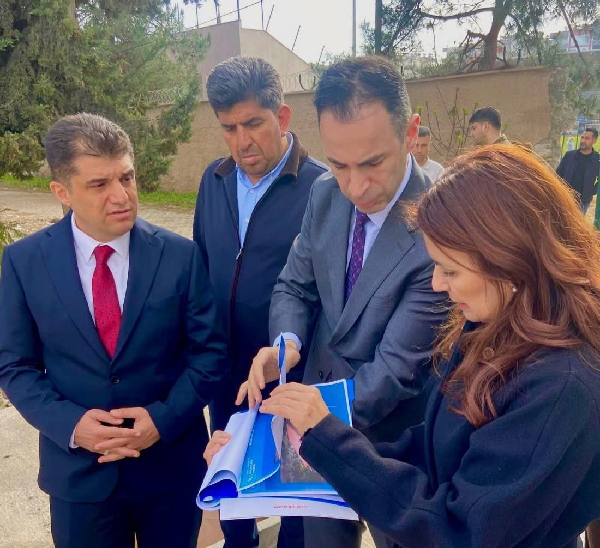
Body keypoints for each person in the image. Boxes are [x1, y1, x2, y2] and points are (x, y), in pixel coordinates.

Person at [240, 144, 600, 548]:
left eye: (450, 270)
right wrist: (296, 454)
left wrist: (328, 438)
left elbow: (459, 531)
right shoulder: (497, 323)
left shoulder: (560, 387)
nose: (437, 284)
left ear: (511, 261)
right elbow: (435, 445)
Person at [236, 56, 448, 547]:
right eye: (339, 164)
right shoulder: (325, 195)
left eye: (372, 163)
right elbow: (295, 285)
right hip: (314, 431)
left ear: (410, 132)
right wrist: (286, 345)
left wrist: (308, 418)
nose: (356, 186)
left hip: (397, 446)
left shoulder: (440, 223)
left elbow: (395, 371)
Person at [0, 114, 227, 548]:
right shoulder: (25, 262)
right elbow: (15, 366)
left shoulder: (180, 256)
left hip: (169, 471)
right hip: (79, 478)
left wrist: (162, 419)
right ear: (62, 192)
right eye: (99, 184)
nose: (122, 196)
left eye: (127, 177)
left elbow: (210, 354)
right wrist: (72, 425)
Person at [193, 56, 326, 548]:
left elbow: (326, 293)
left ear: (282, 117)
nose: (241, 141)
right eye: (229, 128)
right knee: (232, 484)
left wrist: (293, 353)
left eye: (253, 123)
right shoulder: (214, 180)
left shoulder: (322, 189)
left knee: (294, 494)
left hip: (291, 372)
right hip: (227, 372)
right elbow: (201, 266)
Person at [557, 127, 600, 214]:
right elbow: (558, 174)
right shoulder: (569, 156)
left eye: (587, 138)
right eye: (582, 137)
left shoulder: (597, 160)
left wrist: (591, 191)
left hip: (583, 202)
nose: (583, 140)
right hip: (565, 198)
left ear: (594, 140)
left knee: (577, 223)